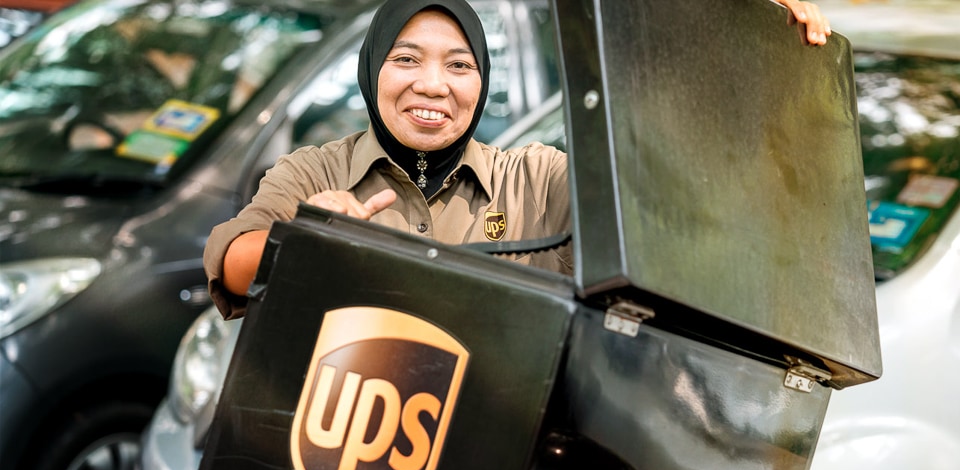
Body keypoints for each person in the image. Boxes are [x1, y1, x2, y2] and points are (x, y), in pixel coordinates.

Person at [203, 0, 831, 320]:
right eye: (406, 59)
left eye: (459, 65)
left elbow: (671, 187)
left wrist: (748, 44)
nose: (432, 84)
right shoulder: (314, 171)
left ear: (481, 84)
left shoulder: (537, 180)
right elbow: (230, 259)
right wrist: (305, 236)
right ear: (372, 72)